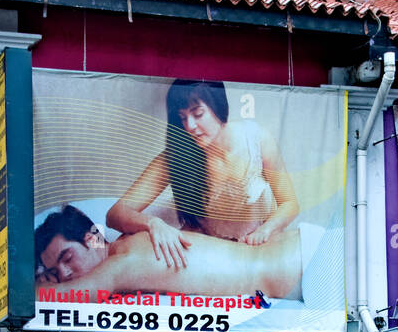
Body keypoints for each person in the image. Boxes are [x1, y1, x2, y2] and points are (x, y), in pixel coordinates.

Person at [107, 79, 300, 269]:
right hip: (207, 254)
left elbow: (289, 203)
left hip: (256, 251)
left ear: (219, 107)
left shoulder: (257, 141)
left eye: (197, 114)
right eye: (182, 117)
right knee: (126, 247)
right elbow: (115, 214)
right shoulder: (176, 156)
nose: (189, 126)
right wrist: (153, 223)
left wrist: (265, 230)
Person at [35, 204, 301, 300]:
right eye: (56, 273)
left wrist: (31, 287)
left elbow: (79, 294)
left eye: (67, 258)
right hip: (295, 256)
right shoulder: (136, 241)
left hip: (299, 265)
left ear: (93, 239)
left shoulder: (122, 261)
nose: (66, 274)